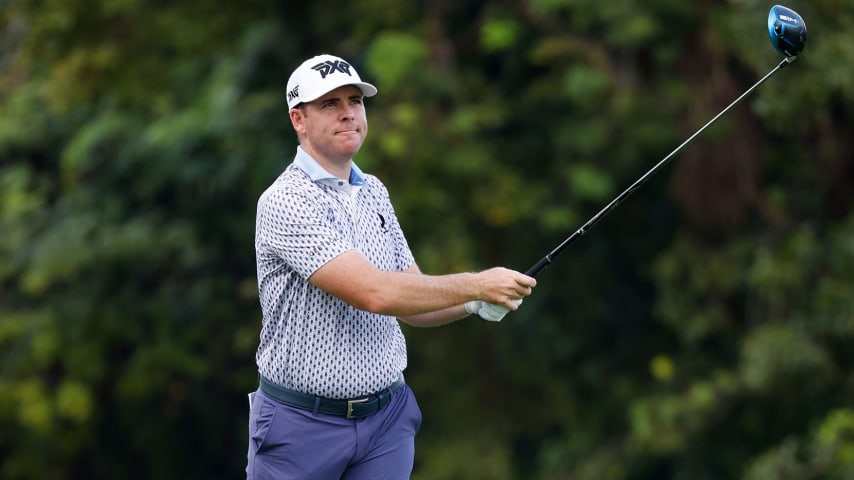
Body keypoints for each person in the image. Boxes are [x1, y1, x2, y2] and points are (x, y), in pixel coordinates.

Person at [246, 53, 536, 480]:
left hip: (386, 422)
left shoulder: (374, 192)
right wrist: (476, 284)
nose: (348, 113)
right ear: (298, 120)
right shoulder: (285, 201)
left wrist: (472, 304)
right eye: (330, 104)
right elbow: (376, 293)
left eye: (355, 101)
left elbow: (410, 296)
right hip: (302, 426)